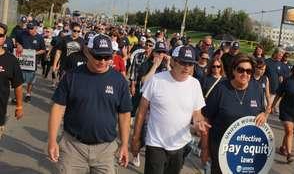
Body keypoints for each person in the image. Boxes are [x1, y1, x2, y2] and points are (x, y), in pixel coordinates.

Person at [47, 34, 132, 173]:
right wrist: (52, 140)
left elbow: (124, 114)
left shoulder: (119, 81)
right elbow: (58, 108)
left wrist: (124, 144)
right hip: (73, 147)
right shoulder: (71, 76)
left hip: (105, 150)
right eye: (98, 57)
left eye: (107, 57)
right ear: (88, 52)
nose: (102, 61)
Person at [131, 45, 209, 174]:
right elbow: (141, 111)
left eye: (190, 64)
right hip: (156, 144)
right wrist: (136, 138)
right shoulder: (156, 80)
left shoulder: (195, 84)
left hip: (180, 145)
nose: (186, 67)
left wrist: (198, 123)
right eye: (183, 62)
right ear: (172, 61)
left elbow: (197, 114)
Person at [201, 54, 269, 174]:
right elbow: (206, 119)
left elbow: (262, 111)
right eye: (240, 70)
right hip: (221, 150)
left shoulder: (257, 89)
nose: (245, 74)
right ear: (233, 70)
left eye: (248, 71)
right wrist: (205, 148)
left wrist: (264, 115)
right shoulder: (221, 89)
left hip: (246, 151)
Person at [0, 23, 24, 140]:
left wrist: (19, 106)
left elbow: (18, 85)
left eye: (0, 35)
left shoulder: (11, 60)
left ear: (4, 38)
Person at [15, 21, 46, 102]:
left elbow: (43, 50)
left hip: (32, 61)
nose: (29, 30)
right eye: (28, 28)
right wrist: (19, 45)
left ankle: (28, 94)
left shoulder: (40, 38)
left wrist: (34, 53)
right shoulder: (22, 34)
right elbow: (17, 41)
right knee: (19, 78)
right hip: (22, 60)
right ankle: (18, 96)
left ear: (36, 28)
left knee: (30, 79)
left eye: (31, 28)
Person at [265, 47, 284, 114]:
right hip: (265, 90)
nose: (281, 57)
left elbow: (280, 77)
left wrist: (282, 87)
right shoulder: (267, 62)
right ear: (275, 53)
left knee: (268, 109)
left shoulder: (280, 64)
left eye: (282, 56)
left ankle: (263, 122)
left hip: (274, 91)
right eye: (279, 55)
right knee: (264, 107)